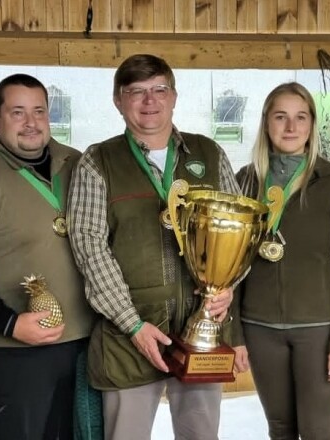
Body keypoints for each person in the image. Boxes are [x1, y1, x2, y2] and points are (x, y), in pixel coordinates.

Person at [67, 53, 242, 440]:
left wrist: (226, 287)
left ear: (174, 96)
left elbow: (239, 233)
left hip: (201, 332)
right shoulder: (99, 160)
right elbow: (89, 245)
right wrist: (132, 324)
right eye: (137, 92)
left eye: (160, 89)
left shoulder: (210, 154)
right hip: (128, 336)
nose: (151, 101)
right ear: (118, 100)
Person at [0, 73, 94, 440]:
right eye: (17, 112)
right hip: (12, 351)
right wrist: (9, 323)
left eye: (39, 111)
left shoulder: (78, 165)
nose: (31, 123)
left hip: (83, 341)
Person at [231, 82, 330, 440]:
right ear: (266, 123)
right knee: (280, 428)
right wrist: (235, 334)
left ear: (311, 124)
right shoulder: (245, 182)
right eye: (281, 117)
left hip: (316, 330)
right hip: (258, 327)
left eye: (300, 117)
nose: (291, 127)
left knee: (317, 431)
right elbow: (231, 269)